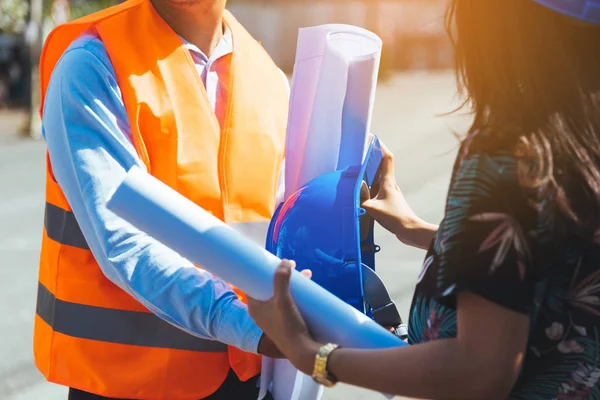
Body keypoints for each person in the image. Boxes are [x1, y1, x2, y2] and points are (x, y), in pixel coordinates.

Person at [247, 0, 600, 398]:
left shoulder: (510, 154)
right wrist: (426, 233)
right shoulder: (581, 134)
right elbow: (559, 260)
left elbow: (479, 370)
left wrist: (312, 354)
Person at [34, 0, 290, 398]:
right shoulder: (92, 63)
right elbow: (123, 242)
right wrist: (250, 327)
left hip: (248, 376)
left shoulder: (268, 78)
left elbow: (279, 231)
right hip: (128, 384)